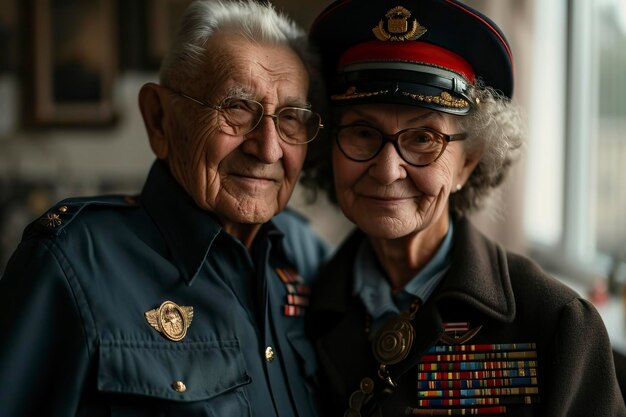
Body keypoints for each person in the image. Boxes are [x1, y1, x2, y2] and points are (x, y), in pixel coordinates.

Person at [0, 1, 328, 416]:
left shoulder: (306, 258)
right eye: (237, 108)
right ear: (160, 119)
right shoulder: (74, 261)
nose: (268, 148)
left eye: (291, 117)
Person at [302, 1, 626, 416]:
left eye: (423, 138)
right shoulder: (300, 305)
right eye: (363, 132)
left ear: (468, 162)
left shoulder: (556, 324)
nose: (386, 171)